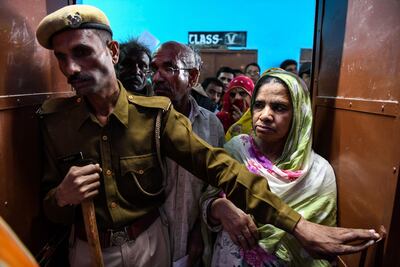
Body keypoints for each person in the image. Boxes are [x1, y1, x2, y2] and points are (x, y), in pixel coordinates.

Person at [35, 4, 379, 267]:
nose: (70, 69)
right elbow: (50, 207)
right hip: (85, 249)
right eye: (61, 58)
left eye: (81, 52)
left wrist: (298, 226)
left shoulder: (154, 116)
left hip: (149, 247)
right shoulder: (55, 123)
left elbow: (219, 167)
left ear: (111, 52)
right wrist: (62, 197)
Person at [204, 68, 337, 266]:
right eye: (259, 105)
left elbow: (321, 245)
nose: (265, 115)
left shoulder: (318, 172)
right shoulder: (236, 150)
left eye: (279, 108)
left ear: (299, 113)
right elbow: (206, 200)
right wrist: (219, 208)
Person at [151, 41, 224, 266]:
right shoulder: (139, 122)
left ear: (193, 77)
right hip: (147, 248)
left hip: (193, 249)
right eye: (154, 69)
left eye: (169, 68)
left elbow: (216, 187)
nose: (157, 78)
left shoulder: (211, 126)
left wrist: (200, 231)